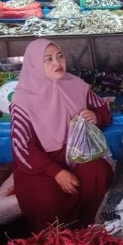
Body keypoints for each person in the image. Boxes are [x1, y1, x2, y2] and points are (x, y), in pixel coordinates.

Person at [10, 39, 113, 232]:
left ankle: (88, 229)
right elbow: (23, 148)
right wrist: (56, 172)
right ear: (34, 65)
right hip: (41, 164)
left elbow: (102, 109)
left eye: (60, 56)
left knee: (98, 171)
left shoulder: (75, 84)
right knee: (47, 197)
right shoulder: (22, 101)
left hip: (76, 153)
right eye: (48, 60)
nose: (57, 63)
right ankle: (57, 244)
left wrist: (96, 116)